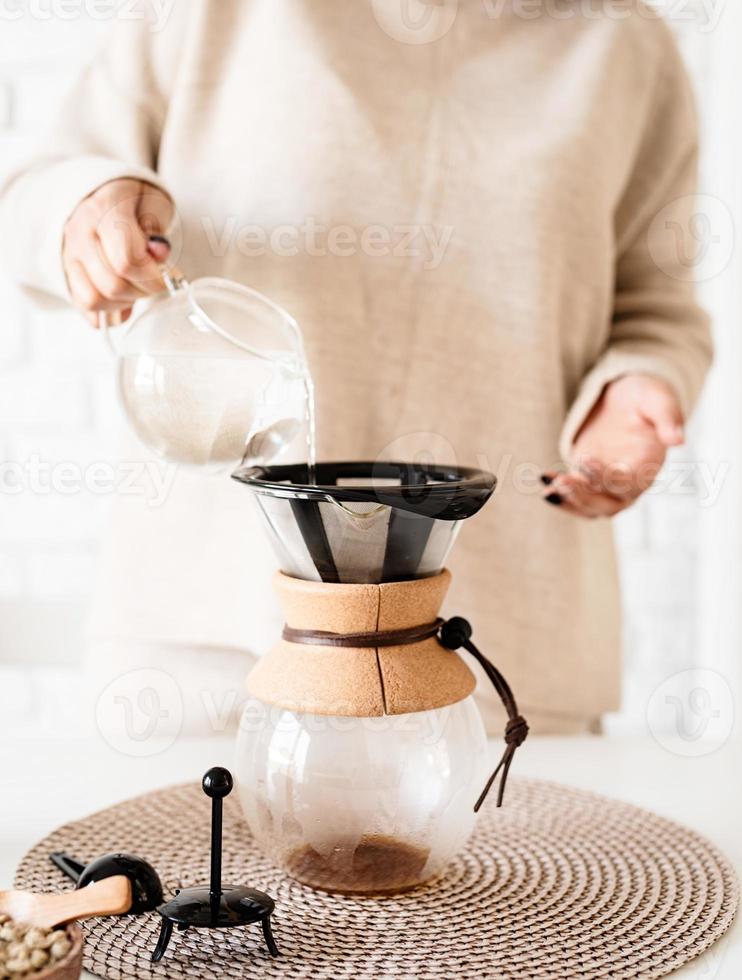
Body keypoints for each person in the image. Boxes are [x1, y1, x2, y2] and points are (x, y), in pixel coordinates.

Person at [0, 0, 711, 735]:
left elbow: (658, 305)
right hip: (212, 628)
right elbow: (35, 193)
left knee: (528, 857)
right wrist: (86, 209)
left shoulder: (625, 45)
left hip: (500, 647)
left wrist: (636, 387)